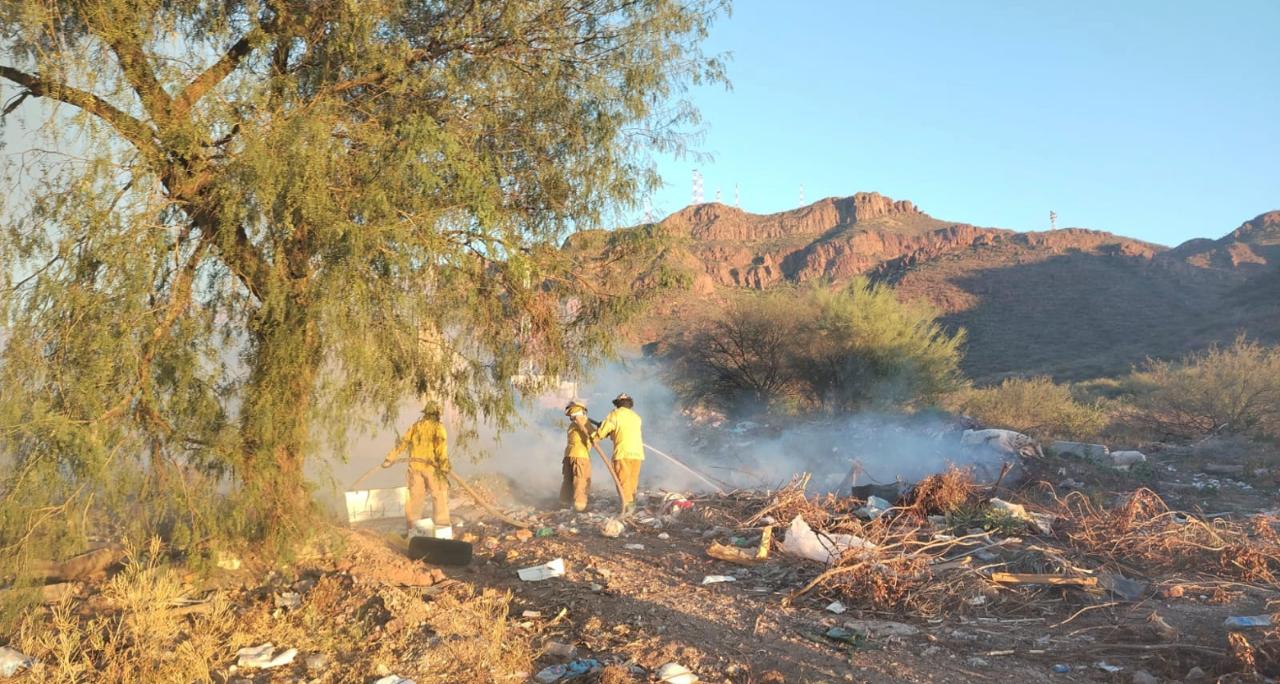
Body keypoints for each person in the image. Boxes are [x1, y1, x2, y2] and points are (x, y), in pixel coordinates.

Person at [382, 402, 452, 538]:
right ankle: (442, 529)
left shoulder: (415, 426)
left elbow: (402, 443)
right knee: (439, 496)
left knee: (415, 499)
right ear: (437, 414)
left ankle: (414, 531)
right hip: (431, 469)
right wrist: (444, 467)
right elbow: (441, 449)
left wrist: (390, 458)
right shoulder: (439, 428)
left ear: (425, 413)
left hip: (414, 468)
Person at [590, 392, 644, 513]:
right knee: (632, 481)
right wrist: (612, 433)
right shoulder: (636, 417)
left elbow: (602, 432)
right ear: (629, 404)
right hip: (638, 453)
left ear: (618, 404)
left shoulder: (615, 414)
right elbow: (622, 431)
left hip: (622, 453)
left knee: (623, 481)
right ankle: (632, 504)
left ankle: (627, 507)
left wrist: (593, 438)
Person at [560, 400, 593, 511]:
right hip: (580, 456)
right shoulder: (583, 420)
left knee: (568, 480)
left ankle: (564, 501)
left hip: (569, 455)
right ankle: (580, 505)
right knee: (581, 480)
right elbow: (594, 436)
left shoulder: (573, 424)